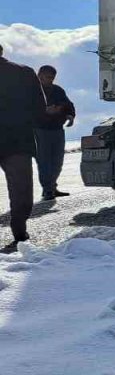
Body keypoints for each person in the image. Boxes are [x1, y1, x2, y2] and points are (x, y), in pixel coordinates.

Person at [0, 43, 48, 251]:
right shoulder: (24, 72)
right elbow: (40, 108)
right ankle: (19, 230)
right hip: (17, 139)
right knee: (21, 189)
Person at [35, 65, 76, 200]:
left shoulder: (58, 90)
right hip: (41, 129)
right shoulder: (31, 90)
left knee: (58, 161)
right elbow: (24, 109)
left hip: (57, 129)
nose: (51, 80)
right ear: (40, 75)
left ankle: (52, 186)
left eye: (53, 78)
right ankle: (47, 189)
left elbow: (68, 104)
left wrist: (70, 115)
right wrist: (45, 110)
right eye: (48, 77)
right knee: (44, 160)